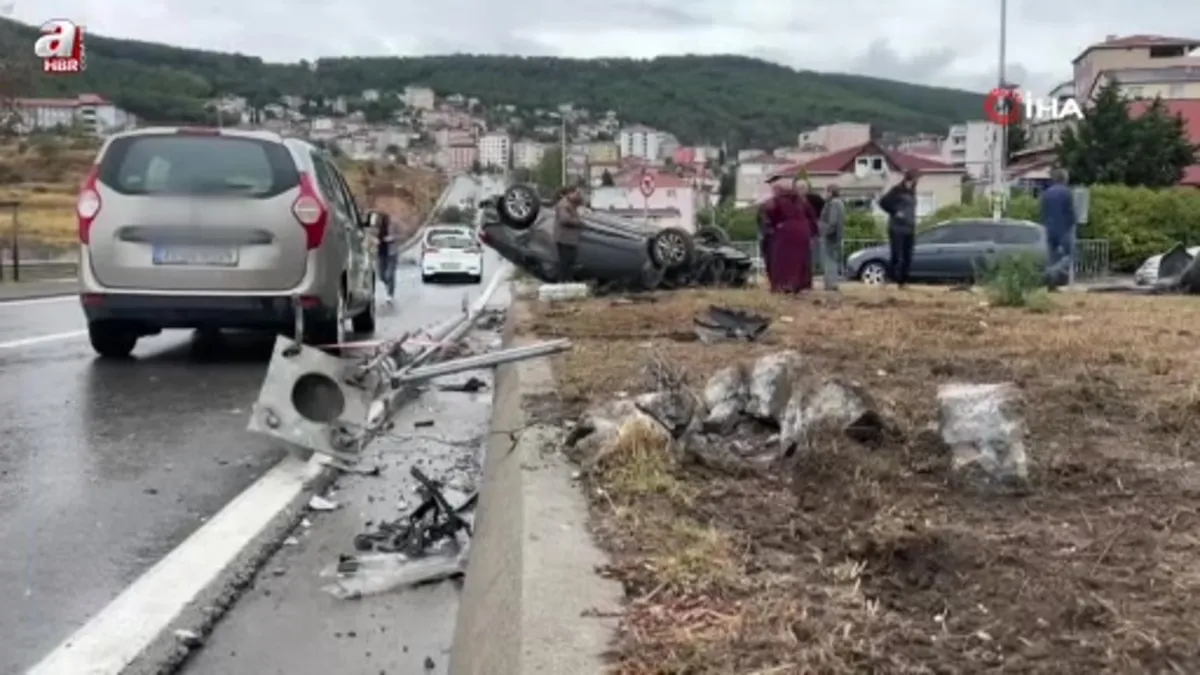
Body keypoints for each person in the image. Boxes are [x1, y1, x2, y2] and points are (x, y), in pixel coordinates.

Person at [760, 172, 818, 293]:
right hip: (803, 232)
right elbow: (812, 216)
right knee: (801, 260)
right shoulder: (801, 201)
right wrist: (812, 232)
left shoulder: (777, 201)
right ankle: (801, 285)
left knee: (782, 260)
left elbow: (770, 215)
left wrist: (772, 227)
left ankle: (783, 285)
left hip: (785, 233)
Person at [878, 170, 919, 288]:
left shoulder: (912, 192)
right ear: (909, 179)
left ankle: (903, 281)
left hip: (910, 227)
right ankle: (889, 278)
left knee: (908, 256)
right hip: (897, 227)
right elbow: (882, 202)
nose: (916, 182)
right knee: (897, 255)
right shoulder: (897, 190)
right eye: (915, 179)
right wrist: (895, 211)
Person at [1040, 168, 1078, 289]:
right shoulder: (1067, 192)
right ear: (1064, 179)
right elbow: (1070, 212)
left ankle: (1051, 285)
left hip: (1049, 228)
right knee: (1070, 255)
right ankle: (1050, 272)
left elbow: (1043, 212)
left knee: (1052, 257)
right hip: (1064, 229)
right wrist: (1073, 224)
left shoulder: (1046, 193)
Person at [553, 184, 586, 282]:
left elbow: (582, 202)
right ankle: (563, 281)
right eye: (577, 193)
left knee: (570, 261)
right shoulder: (564, 204)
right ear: (570, 193)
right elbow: (564, 219)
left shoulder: (571, 203)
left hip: (569, 239)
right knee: (565, 262)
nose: (578, 195)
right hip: (564, 239)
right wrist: (579, 223)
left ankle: (567, 280)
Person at [818, 185, 846, 291]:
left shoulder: (833, 204)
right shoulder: (840, 203)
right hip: (836, 236)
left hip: (831, 236)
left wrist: (825, 231)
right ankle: (832, 283)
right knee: (833, 259)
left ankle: (831, 284)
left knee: (829, 260)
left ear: (830, 192)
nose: (824, 194)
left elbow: (832, 221)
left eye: (825, 191)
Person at [375, 212, 397, 303]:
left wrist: (391, 238)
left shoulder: (394, 226)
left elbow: (399, 236)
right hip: (381, 253)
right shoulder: (376, 227)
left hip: (391, 253)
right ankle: (389, 286)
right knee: (381, 275)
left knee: (389, 274)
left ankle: (390, 293)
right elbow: (373, 236)